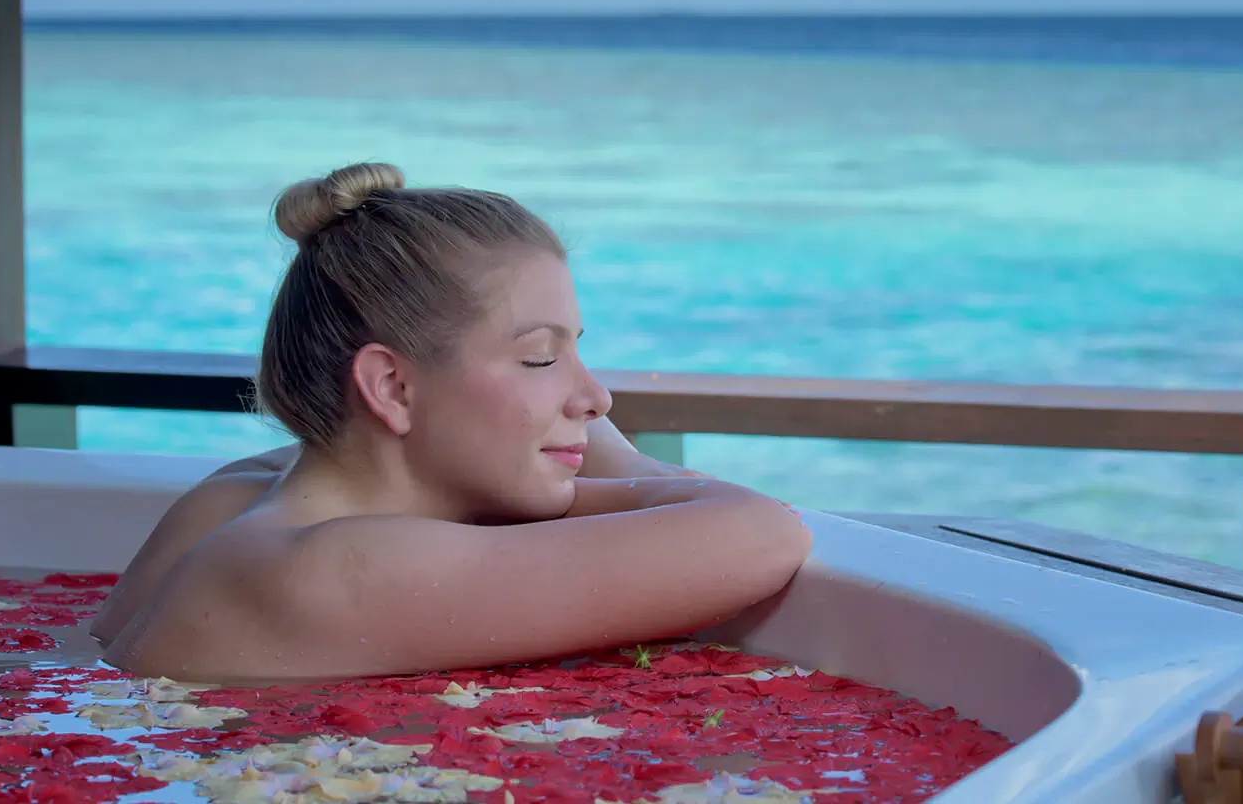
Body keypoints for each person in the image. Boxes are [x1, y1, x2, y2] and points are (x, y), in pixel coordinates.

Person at [95, 162, 812, 683]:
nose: (597, 400)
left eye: (576, 352)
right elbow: (762, 534)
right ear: (393, 387)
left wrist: (540, 441)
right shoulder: (333, 569)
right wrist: (608, 473)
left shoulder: (235, 497)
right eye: (539, 358)